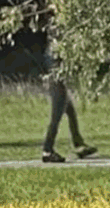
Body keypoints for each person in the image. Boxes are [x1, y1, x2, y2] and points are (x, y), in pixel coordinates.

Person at [41, 31, 97, 163]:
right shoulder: (55, 51)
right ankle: (47, 150)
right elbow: (57, 68)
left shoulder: (52, 49)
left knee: (70, 112)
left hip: (58, 83)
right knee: (56, 117)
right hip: (57, 85)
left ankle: (79, 145)